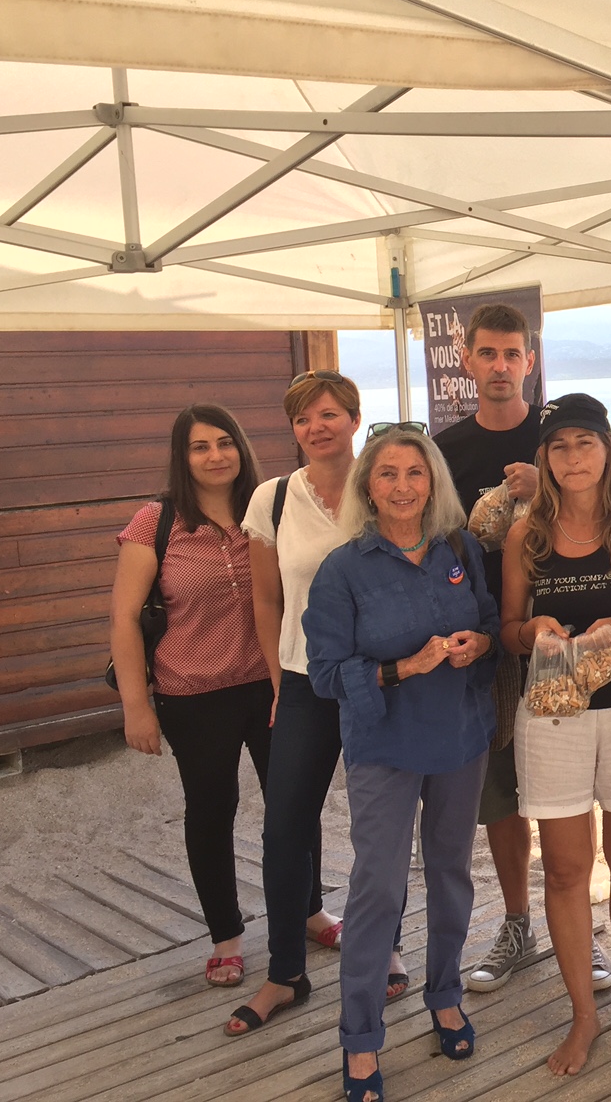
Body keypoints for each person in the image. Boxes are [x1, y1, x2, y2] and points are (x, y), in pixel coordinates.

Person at [305, 424, 499, 1102]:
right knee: (377, 890)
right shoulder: (343, 569)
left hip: (460, 737)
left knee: (451, 875)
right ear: (367, 485)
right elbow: (325, 673)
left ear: (433, 482)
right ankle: (360, 1040)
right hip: (384, 744)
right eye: (387, 473)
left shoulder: (460, 548)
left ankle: (444, 993)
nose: (402, 486)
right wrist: (401, 668)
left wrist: (481, 642)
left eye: (415, 473)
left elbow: (492, 621)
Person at [227, 371, 407, 1036]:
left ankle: (385, 946)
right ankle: (284, 974)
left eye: (329, 415)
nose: (316, 428)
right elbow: (266, 597)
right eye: (304, 419)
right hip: (305, 682)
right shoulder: (273, 499)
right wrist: (277, 680)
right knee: (285, 829)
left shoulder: (386, 486)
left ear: (355, 419)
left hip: (382, 680)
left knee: (379, 828)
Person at [500, 393, 611, 1075]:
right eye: (560, 446)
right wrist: (533, 631)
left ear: (608, 450)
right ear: (544, 457)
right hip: (554, 713)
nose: (573, 458)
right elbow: (506, 630)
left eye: (586, 443)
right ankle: (583, 1015)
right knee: (568, 870)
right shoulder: (526, 535)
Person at [110, 404, 271, 990]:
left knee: (292, 804)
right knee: (211, 811)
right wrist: (136, 706)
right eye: (200, 447)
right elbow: (125, 620)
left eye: (226, 443)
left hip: (272, 684)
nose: (216, 456)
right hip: (193, 693)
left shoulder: (267, 508)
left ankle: (307, 911)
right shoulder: (156, 522)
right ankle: (226, 936)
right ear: (183, 457)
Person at [432, 303, 556, 992]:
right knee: (501, 796)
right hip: (485, 645)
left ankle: (576, 924)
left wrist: (550, 491)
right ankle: (518, 922)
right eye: (489, 354)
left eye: (514, 354)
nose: (502, 366)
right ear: (470, 362)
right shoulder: (444, 450)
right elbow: (434, 545)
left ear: (529, 362)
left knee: (569, 793)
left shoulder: (560, 437)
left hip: (558, 636)